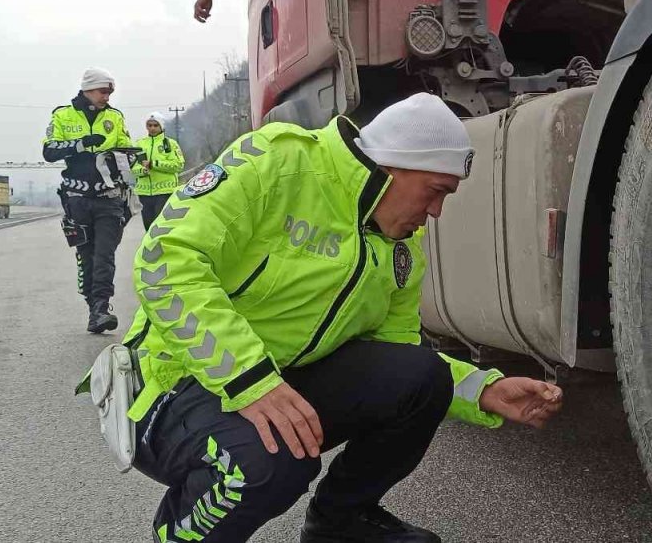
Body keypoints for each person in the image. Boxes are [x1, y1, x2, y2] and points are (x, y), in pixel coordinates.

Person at [117, 93, 562, 542]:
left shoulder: (401, 250)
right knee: (268, 463)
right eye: (435, 191)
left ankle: (340, 526)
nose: (436, 212)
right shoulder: (279, 161)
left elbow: (393, 361)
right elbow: (165, 260)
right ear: (392, 167)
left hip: (273, 379)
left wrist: (483, 390)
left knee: (419, 376)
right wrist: (250, 380)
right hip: (172, 381)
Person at [42, 68, 135, 333]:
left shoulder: (115, 117)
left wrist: (125, 159)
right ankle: (93, 307)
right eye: (103, 91)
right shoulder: (62, 115)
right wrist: (81, 144)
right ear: (88, 90)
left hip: (109, 197)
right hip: (77, 199)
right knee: (86, 256)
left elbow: (127, 149)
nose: (107, 97)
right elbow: (49, 151)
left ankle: (102, 307)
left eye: (110, 92)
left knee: (105, 254)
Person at [133, 112, 186, 230]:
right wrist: (142, 171)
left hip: (164, 192)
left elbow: (178, 165)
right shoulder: (139, 144)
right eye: (149, 125)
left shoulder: (170, 144)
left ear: (161, 126)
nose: (152, 128)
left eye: (155, 125)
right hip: (144, 193)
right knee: (149, 227)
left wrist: (154, 164)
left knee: (161, 226)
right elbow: (132, 167)